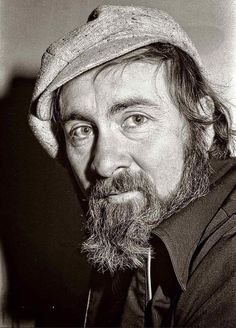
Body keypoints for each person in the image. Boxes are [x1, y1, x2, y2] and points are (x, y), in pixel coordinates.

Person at [29, 5, 236, 327]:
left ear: (203, 122)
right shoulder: (131, 234)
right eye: (81, 131)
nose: (104, 164)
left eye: (135, 120)